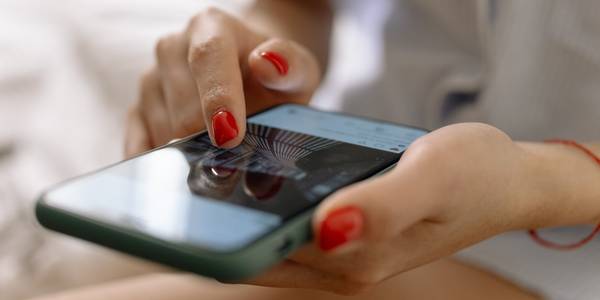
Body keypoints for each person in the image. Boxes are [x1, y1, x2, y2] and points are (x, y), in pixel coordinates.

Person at [33, 1, 600, 299]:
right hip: (330, 149)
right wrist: (265, 49)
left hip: (566, 246)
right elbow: (303, 4)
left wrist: (536, 183)